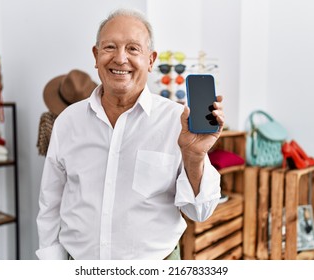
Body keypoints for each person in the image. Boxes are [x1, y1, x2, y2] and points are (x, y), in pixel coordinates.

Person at [36, 8, 225, 260]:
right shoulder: (68, 121)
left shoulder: (177, 121)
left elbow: (199, 211)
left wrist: (194, 156)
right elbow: (50, 202)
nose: (120, 58)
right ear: (96, 55)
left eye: (133, 49)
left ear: (150, 60)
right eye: (110, 47)